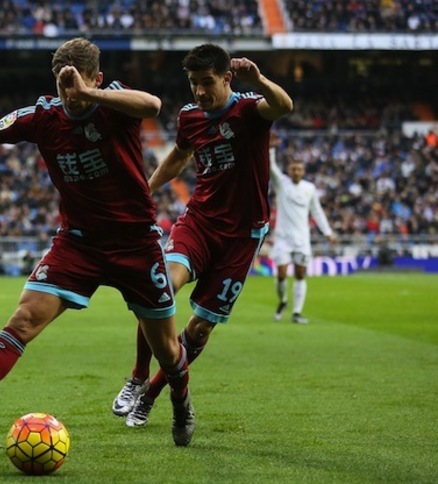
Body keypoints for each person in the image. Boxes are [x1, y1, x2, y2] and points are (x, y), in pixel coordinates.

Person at [0, 37, 195, 447]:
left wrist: (87, 92)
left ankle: (182, 403)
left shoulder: (114, 104)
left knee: (168, 352)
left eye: (78, 85)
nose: (70, 96)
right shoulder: (44, 115)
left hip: (135, 244)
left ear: (97, 79)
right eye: (64, 86)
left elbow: (152, 106)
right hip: (78, 244)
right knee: (23, 320)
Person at [111, 43, 293, 428]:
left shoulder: (248, 110)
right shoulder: (190, 116)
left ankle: (152, 394)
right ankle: (138, 376)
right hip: (200, 222)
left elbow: (283, 106)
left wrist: (258, 79)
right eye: (193, 83)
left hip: (241, 238)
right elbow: (180, 155)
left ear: (227, 77)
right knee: (157, 288)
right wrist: (147, 189)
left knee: (199, 328)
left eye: (206, 82)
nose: (199, 91)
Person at [269, 138, 336, 324]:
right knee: (281, 275)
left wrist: (327, 232)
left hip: (302, 239)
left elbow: (317, 211)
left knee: (300, 274)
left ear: (303, 171)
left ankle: (297, 312)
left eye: (299, 169)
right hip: (282, 238)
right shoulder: (281, 183)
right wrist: (271, 149)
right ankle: (282, 300)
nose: (296, 172)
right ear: (289, 170)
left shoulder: (310, 188)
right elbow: (271, 168)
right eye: (293, 169)